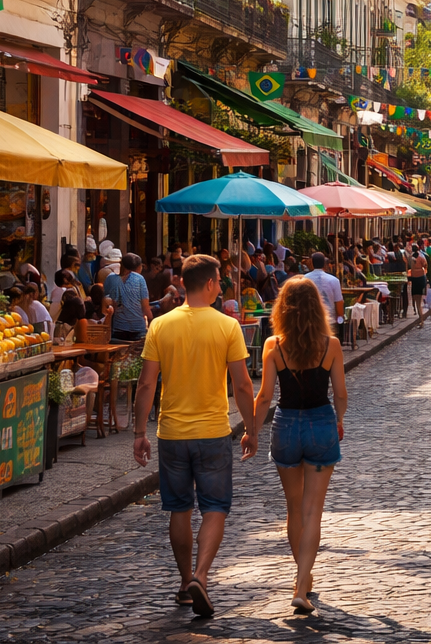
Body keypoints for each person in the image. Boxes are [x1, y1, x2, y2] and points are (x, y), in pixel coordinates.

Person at [132, 254, 257, 618]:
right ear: (210, 284)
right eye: (219, 280)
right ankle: (201, 576)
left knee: (179, 508)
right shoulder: (227, 326)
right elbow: (243, 385)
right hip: (213, 432)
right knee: (215, 507)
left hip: (172, 433)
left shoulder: (160, 326)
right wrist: (250, 428)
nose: (221, 286)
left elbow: (146, 384)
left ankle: (185, 581)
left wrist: (140, 432)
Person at [246, 276, 346, 615]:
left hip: (286, 426)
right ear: (317, 308)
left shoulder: (274, 346)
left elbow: (264, 396)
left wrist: (252, 432)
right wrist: (340, 420)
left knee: (293, 509)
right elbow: (341, 395)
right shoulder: (330, 345)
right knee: (312, 511)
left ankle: (302, 579)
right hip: (320, 424)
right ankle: (302, 584)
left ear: (282, 309)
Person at [105, 253, 153, 343]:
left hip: (117, 331)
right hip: (138, 331)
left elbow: (106, 302)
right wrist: (152, 321)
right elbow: (146, 308)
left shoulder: (110, 279)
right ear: (139, 267)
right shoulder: (140, 279)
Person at [305, 252, 344, 326]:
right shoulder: (334, 280)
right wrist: (340, 317)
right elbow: (339, 302)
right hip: (329, 321)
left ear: (312, 264)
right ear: (324, 264)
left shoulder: (304, 279)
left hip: (310, 321)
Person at [408, 246, 429, 319]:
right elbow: (425, 265)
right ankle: (421, 318)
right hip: (421, 278)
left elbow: (409, 266)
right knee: (419, 301)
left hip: (414, 278)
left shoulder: (410, 257)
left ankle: (420, 318)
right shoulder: (421, 257)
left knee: (416, 299)